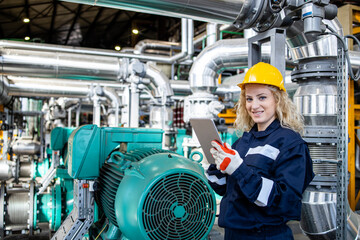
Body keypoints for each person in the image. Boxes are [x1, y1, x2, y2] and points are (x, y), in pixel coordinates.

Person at [206, 62, 314, 240]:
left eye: (262, 97)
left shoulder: (290, 143)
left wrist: (239, 169)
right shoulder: (243, 142)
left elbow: (285, 202)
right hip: (233, 233)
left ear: (277, 100)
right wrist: (217, 165)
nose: (254, 105)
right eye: (249, 99)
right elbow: (225, 189)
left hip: (266, 235)